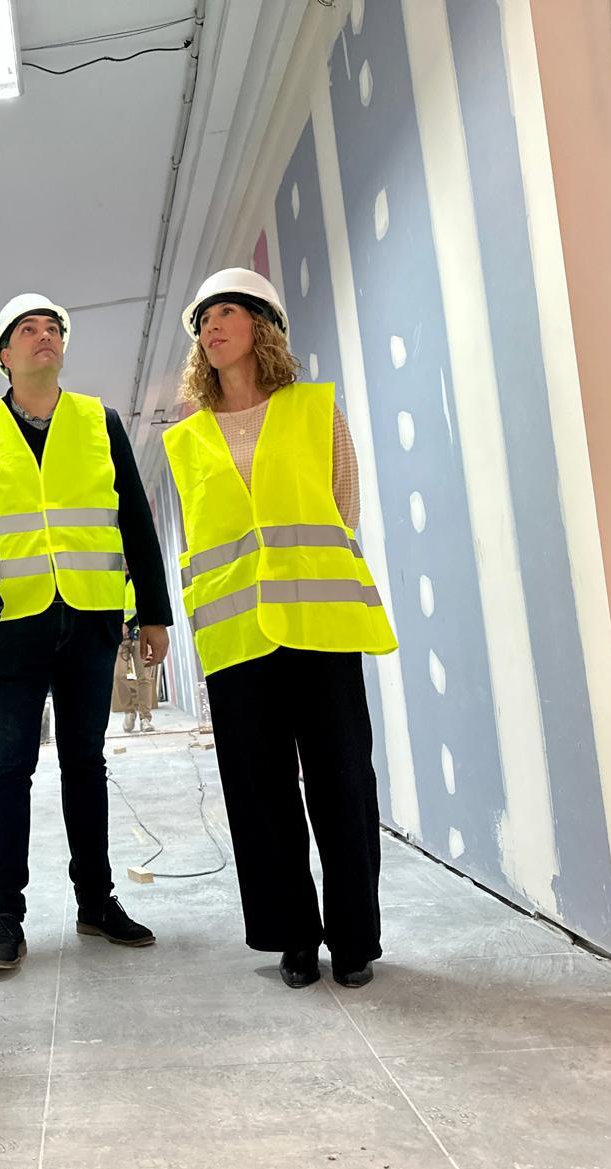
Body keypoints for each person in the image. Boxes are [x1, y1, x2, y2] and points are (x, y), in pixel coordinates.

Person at [162, 268, 397, 990]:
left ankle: (354, 937)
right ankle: (294, 937)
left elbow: (343, 505)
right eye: (203, 320)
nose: (212, 327)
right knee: (259, 793)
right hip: (236, 641)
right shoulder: (185, 439)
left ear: (262, 326)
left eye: (227, 312)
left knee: (342, 782)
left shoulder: (313, 408)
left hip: (319, 624)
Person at [0, 294, 173, 973]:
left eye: (54, 328)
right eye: (28, 329)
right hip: (11, 630)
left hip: (88, 619)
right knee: (8, 770)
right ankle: (4, 919)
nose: (44, 336)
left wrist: (155, 615)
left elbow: (135, 520)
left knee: (86, 763)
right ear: (4, 354)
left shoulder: (98, 421)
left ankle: (96, 902)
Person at [115, 576, 156, 733]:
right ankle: (129, 711)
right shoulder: (112, 578)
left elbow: (145, 604)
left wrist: (128, 625)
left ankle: (145, 717)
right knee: (118, 676)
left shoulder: (139, 578)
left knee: (143, 677)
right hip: (119, 637)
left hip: (138, 634)